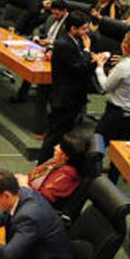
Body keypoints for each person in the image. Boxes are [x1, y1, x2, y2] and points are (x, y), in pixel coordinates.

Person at [39, 12, 101, 163]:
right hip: (65, 98)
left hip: (73, 97)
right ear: (73, 28)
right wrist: (88, 52)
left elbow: (81, 63)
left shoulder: (74, 41)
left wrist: (94, 59)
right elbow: (80, 67)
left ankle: (55, 163)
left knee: (63, 134)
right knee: (54, 137)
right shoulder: (64, 44)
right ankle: (41, 166)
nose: (87, 32)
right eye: (84, 28)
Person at [95, 30, 130, 144]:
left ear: (125, 46)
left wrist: (99, 68)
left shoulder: (123, 67)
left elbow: (106, 86)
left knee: (98, 142)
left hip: (115, 113)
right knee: (121, 146)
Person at [18, 132, 89, 207]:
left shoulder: (66, 177)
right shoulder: (55, 162)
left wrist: (24, 184)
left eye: (60, 146)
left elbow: (40, 200)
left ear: (65, 156)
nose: (55, 147)